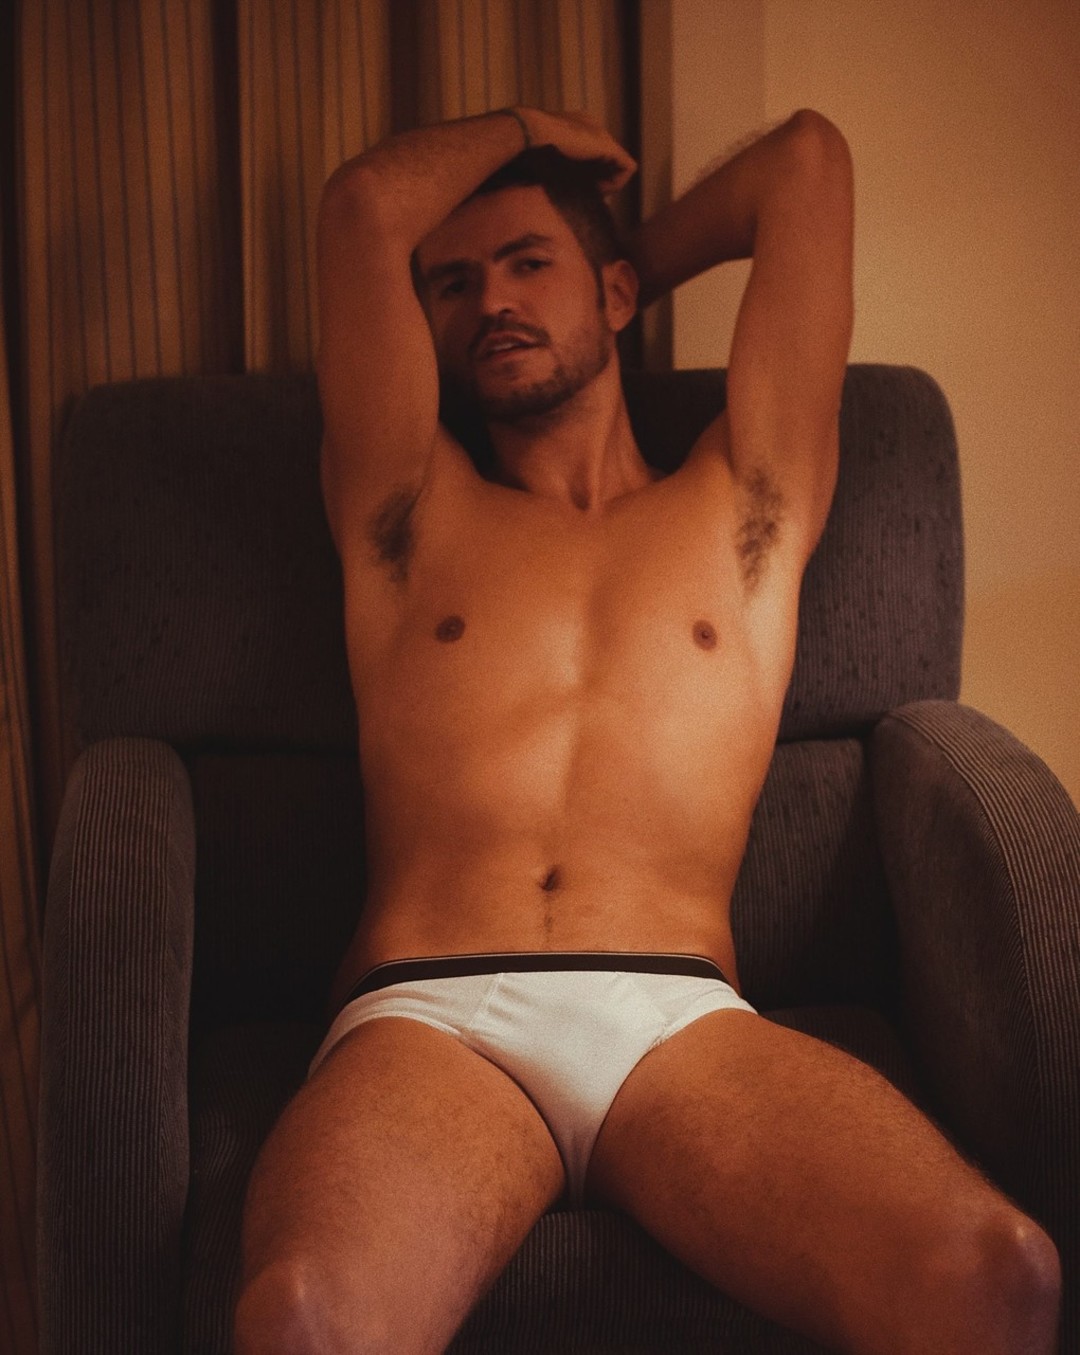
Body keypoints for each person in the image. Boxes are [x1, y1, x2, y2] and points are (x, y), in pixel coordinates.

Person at [232, 107, 1061, 1355]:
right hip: (429, 1015)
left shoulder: (746, 506)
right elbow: (360, 209)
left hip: (676, 1021)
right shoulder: (407, 506)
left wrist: (622, 258)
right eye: (453, 285)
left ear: (619, 294)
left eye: (527, 263)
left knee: (1000, 1277)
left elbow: (807, 163)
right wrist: (528, 136)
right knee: (304, 1319)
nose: (490, 301)